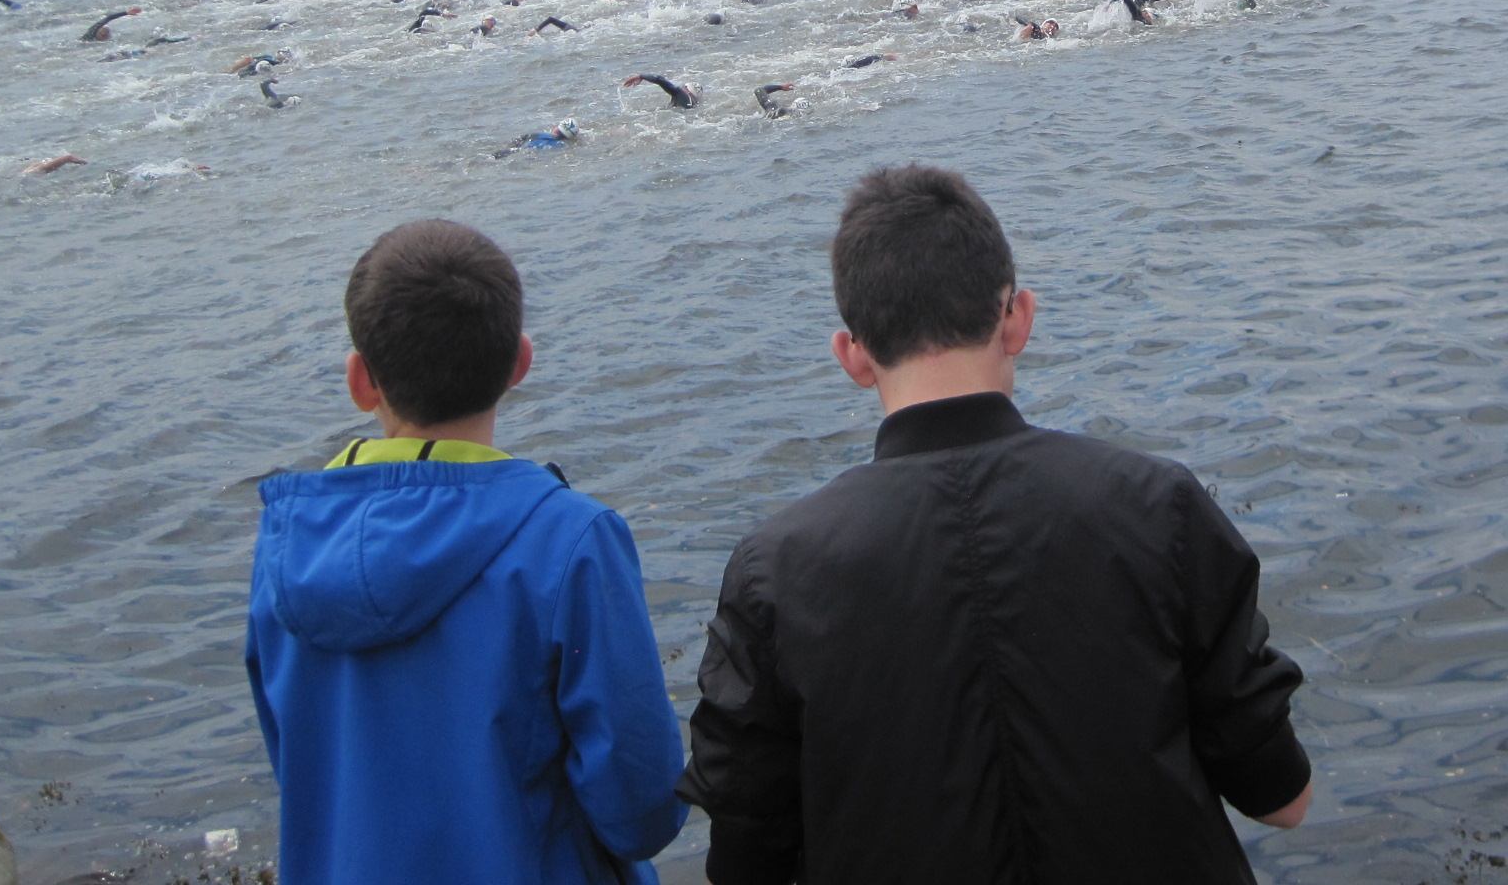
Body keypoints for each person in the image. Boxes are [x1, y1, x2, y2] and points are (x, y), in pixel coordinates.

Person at [678, 166, 1310, 884]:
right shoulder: (1157, 504)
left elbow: (745, 859)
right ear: (1017, 318)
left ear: (853, 356)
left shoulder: (775, 572)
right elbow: (1282, 800)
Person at [245, 219, 684, 883]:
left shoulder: (286, 544)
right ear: (519, 364)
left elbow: (300, 767)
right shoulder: (569, 540)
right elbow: (640, 808)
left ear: (360, 381)